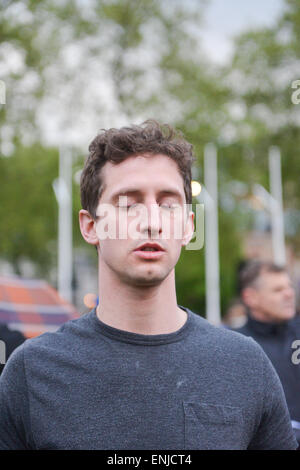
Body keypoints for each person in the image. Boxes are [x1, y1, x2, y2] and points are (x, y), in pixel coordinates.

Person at [0, 121, 297, 450]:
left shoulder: (244, 365)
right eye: (128, 204)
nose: (152, 222)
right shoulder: (33, 371)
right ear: (90, 226)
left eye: (169, 204)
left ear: (187, 226)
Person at [231, 260, 300, 445]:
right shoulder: (233, 347)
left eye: (289, 287)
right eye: (278, 290)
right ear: (250, 297)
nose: (289, 294)